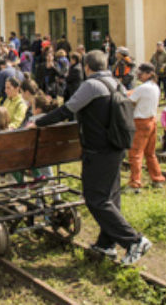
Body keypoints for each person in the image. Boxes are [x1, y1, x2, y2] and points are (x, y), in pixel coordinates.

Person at [34, 50, 151, 265]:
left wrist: (38, 122)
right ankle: (106, 245)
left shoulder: (91, 85)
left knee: (95, 198)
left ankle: (134, 240)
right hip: (116, 146)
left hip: (98, 150)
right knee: (111, 197)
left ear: (87, 67)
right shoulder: (117, 84)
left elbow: (66, 110)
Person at [126, 63, 165, 193]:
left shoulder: (142, 88)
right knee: (150, 153)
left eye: (141, 73)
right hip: (152, 121)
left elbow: (130, 101)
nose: (139, 75)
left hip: (140, 122)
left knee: (135, 154)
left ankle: (135, 183)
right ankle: (157, 178)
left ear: (149, 74)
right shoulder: (155, 87)